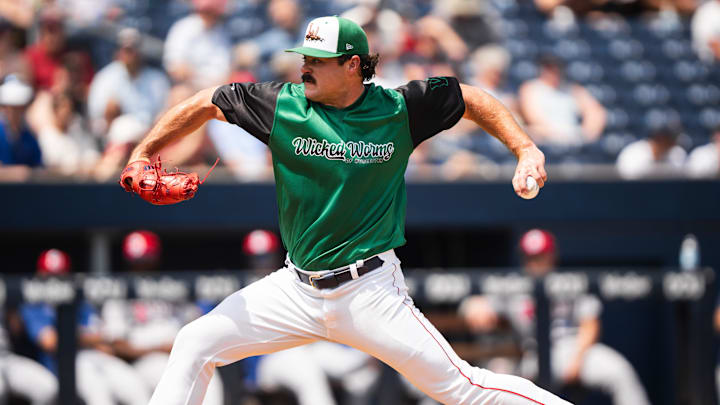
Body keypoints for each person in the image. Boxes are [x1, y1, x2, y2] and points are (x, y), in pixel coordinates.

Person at [121, 16, 570, 405]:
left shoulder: (398, 108)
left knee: (462, 387)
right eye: (304, 57)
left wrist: (524, 148)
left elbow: (470, 98)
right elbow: (207, 102)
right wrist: (144, 152)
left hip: (369, 290)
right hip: (295, 289)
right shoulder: (281, 104)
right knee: (196, 342)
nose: (305, 66)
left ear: (353, 65)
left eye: (317, 60)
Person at [460, 229, 651, 405]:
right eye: (531, 257)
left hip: (573, 349)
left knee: (620, 371)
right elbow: (476, 305)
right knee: (496, 378)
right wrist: (475, 307)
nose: (535, 263)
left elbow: (590, 323)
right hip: (533, 355)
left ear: (552, 256)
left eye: (541, 257)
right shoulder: (515, 285)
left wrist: (577, 358)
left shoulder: (567, 282)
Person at [100, 230, 225, 405]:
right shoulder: (118, 293)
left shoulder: (170, 286)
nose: (141, 267)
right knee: (168, 377)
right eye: (136, 262)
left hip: (182, 352)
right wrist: (158, 349)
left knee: (209, 373)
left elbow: (195, 323)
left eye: (146, 261)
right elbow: (117, 344)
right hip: (145, 361)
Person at [22, 248, 151, 405]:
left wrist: (72, 335)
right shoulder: (34, 304)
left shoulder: (80, 301)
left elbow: (103, 337)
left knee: (138, 391)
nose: (54, 282)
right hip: (67, 362)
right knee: (101, 398)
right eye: (49, 276)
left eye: (59, 276)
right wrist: (87, 338)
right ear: (40, 275)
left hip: (98, 356)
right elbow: (51, 342)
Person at [518, 55, 606, 146]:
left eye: (556, 67)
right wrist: (555, 133)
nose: (553, 71)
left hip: (572, 138)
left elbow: (596, 112)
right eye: (549, 67)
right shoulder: (531, 88)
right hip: (545, 139)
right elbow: (533, 117)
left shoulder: (573, 89)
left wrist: (587, 134)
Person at [616, 125, 686, 179]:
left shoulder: (677, 153)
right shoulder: (633, 154)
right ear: (660, 138)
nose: (672, 143)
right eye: (668, 139)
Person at [0, 76, 41, 167]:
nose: (16, 112)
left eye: (20, 108)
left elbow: (38, 167)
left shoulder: (29, 137)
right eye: (12, 107)